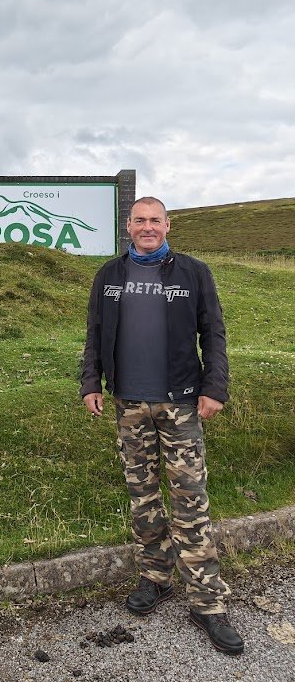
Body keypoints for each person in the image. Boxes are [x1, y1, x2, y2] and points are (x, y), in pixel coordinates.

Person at [80, 196, 244, 656]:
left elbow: (213, 333)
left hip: (181, 404)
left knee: (190, 500)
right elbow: (94, 333)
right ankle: (155, 577)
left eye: (155, 220)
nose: (148, 227)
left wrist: (215, 387)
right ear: (128, 226)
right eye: (140, 220)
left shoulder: (193, 272)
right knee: (143, 497)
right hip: (128, 403)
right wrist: (91, 382)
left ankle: (207, 603)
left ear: (168, 224)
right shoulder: (109, 275)